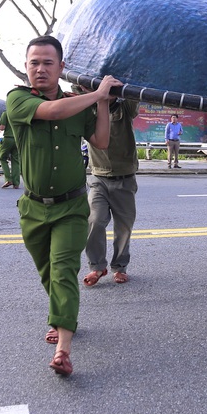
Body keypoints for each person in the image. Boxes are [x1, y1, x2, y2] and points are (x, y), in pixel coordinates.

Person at [6, 35, 121, 377]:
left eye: (47, 63)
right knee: (48, 273)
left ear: (61, 67)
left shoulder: (79, 103)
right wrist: (95, 94)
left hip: (71, 207)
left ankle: (63, 349)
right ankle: (63, 317)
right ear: (26, 67)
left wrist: (102, 103)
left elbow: (100, 140)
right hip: (33, 209)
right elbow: (52, 110)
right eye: (34, 63)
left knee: (63, 270)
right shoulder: (18, 99)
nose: (40, 69)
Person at [82, 93, 140, 287]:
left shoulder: (126, 108)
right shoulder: (89, 107)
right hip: (99, 178)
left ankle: (120, 267)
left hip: (124, 178)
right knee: (94, 220)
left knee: (123, 227)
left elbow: (136, 88)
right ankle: (97, 266)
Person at [0, 110, 20, 189]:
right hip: (17, 139)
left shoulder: (6, 113)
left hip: (8, 139)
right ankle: (16, 183)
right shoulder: (18, 113)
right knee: (16, 161)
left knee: (2, 158)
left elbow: (2, 127)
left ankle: (8, 179)